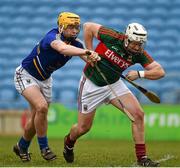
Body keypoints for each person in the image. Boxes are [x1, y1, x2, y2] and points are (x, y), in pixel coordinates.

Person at [63, 22, 165, 167]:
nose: (137, 47)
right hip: (92, 84)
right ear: (126, 39)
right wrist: (90, 52)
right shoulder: (113, 36)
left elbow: (160, 71)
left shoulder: (139, 54)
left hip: (114, 84)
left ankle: (142, 158)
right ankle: (69, 142)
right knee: (83, 128)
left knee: (138, 115)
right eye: (134, 43)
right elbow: (88, 27)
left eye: (140, 44)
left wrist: (139, 73)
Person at [13, 12, 100, 162]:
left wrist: (94, 58)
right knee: (42, 108)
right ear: (61, 27)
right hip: (26, 75)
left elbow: (88, 59)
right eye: (70, 27)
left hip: (45, 80)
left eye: (76, 27)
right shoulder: (52, 37)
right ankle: (44, 148)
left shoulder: (76, 44)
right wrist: (87, 51)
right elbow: (63, 49)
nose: (74, 31)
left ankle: (22, 145)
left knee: (36, 117)